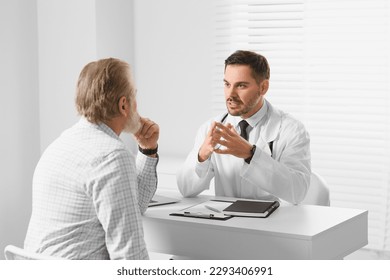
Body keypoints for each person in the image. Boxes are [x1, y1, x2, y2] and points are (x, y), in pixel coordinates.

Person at [24, 58, 159, 259]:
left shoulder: (59, 145)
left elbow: (134, 206)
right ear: (124, 105)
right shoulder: (112, 156)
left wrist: (147, 151)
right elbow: (130, 258)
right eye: (134, 97)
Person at [177, 50, 311, 204]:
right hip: (225, 224)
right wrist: (202, 155)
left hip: (273, 225)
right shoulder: (211, 128)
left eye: (241, 86)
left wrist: (251, 154)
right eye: (227, 84)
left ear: (263, 88)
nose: (230, 94)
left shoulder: (291, 130)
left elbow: (298, 192)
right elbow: (185, 189)